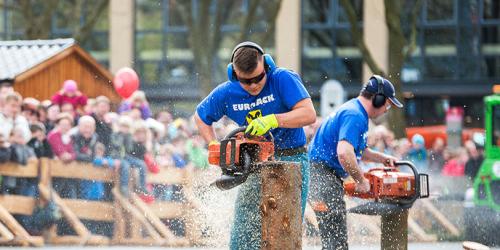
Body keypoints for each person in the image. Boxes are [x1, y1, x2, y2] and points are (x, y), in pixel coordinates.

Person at [194, 41, 316, 249]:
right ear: (235, 74)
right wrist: (215, 145)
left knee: (284, 229)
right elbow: (200, 116)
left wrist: (274, 119)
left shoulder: (282, 79)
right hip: (254, 164)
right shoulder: (226, 92)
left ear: (266, 65)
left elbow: (309, 114)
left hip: (291, 158)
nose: (253, 85)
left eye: (258, 78)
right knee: (244, 231)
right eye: (246, 81)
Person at [308, 75, 402, 250]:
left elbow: (359, 150)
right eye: (387, 104)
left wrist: (383, 159)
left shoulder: (355, 111)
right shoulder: (355, 115)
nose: (387, 109)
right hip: (322, 175)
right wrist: (360, 180)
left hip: (322, 174)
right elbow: (344, 153)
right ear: (377, 98)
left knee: (334, 240)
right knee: (336, 243)